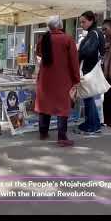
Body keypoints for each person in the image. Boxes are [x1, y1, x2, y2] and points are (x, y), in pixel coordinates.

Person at [35, 16, 80, 147]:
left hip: (45, 77)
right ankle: (62, 137)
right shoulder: (67, 39)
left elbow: (39, 53)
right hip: (62, 78)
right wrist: (76, 78)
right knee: (62, 107)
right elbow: (74, 61)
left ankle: (43, 132)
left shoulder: (43, 39)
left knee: (45, 104)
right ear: (60, 26)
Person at [74, 11, 105, 135]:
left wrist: (78, 52)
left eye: (83, 21)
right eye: (80, 22)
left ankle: (91, 125)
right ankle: (94, 124)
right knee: (89, 96)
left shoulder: (93, 34)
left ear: (91, 20)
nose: (82, 24)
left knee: (88, 97)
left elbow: (87, 52)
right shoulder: (97, 33)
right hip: (92, 68)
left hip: (89, 69)